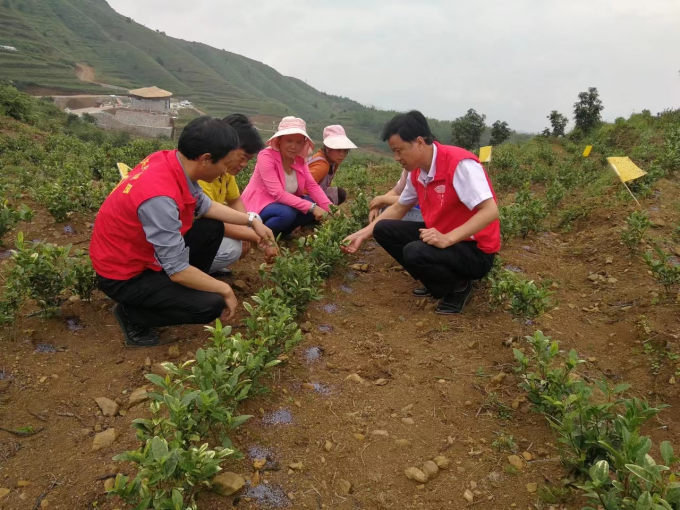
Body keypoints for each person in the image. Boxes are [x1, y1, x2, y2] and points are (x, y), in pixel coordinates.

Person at [90, 116, 275, 347]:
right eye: (224, 165)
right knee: (211, 304)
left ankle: (180, 291)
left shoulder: (171, 161)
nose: (225, 171)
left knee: (212, 227)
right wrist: (224, 289)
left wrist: (250, 220)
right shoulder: (160, 199)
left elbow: (204, 205)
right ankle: (133, 316)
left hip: (145, 257)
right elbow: (177, 270)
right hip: (125, 276)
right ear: (206, 159)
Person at [342, 111, 500, 315]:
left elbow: (490, 211)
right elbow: (399, 208)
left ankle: (458, 286)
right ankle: (437, 279)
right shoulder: (418, 172)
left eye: (399, 151)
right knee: (383, 229)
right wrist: (361, 235)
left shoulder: (459, 164)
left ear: (419, 142)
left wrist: (448, 238)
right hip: (443, 236)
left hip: (475, 250)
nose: (396, 158)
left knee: (415, 252)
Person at [198, 114, 277, 275]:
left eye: (248, 160)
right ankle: (199, 271)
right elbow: (210, 224)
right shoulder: (203, 174)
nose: (243, 165)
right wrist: (251, 236)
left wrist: (245, 229)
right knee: (232, 249)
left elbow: (235, 200)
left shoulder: (225, 172)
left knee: (254, 217)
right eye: (242, 158)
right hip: (194, 235)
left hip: (210, 227)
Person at [241, 116, 331, 237]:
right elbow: (277, 193)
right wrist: (312, 207)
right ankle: (258, 234)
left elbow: (312, 185)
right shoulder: (266, 157)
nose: (294, 146)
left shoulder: (299, 160)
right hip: (260, 204)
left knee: (311, 203)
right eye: (289, 140)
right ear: (279, 140)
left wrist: (332, 210)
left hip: (282, 203)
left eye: (299, 142)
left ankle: (282, 233)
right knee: (287, 213)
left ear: (303, 143)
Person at [308, 125, 357, 206]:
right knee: (328, 201)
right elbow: (305, 189)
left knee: (339, 194)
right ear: (328, 148)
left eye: (345, 151)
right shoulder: (321, 166)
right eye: (338, 150)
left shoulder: (334, 162)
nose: (342, 154)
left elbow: (325, 186)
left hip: (318, 192)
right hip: (307, 197)